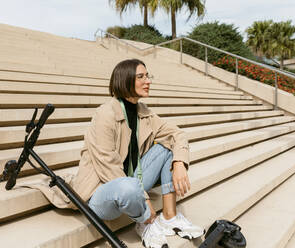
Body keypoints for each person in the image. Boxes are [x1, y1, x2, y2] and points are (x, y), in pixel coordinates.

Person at [72, 59, 204, 248]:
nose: (148, 81)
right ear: (125, 80)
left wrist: (179, 163)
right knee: (129, 187)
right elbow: (108, 168)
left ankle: (169, 217)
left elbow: (178, 134)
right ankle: (146, 223)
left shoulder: (143, 112)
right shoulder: (105, 114)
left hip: (132, 182)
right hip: (102, 191)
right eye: (141, 77)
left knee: (168, 147)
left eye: (147, 76)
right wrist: (144, 198)